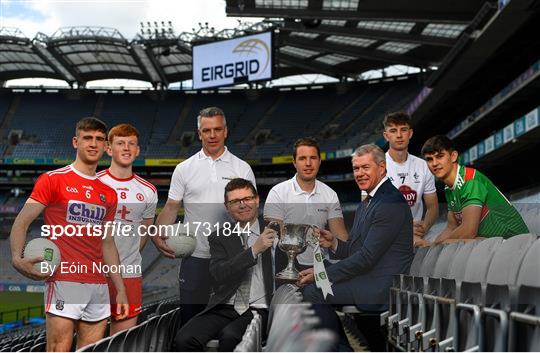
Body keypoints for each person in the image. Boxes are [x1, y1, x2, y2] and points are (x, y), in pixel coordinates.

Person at [9, 117, 129, 351]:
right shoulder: (53, 180)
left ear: (106, 147)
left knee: (91, 350)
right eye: (87, 138)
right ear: (76, 142)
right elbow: (22, 222)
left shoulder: (109, 194)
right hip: (64, 280)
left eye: (98, 139)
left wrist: (121, 289)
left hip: (99, 284)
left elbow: (107, 243)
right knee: (58, 348)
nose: (93, 144)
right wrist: (16, 258)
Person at [298, 144, 413, 351]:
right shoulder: (369, 201)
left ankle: (339, 348)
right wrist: (333, 243)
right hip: (367, 278)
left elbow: (366, 258)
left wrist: (321, 275)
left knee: (314, 290)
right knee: (313, 284)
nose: (359, 173)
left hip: (379, 287)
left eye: (365, 168)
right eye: (356, 168)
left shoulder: (389, 202)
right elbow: (355, 249)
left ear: (382, 168)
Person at [155, 107, 256, 325]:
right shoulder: (184, 169)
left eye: (217, 129)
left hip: (231, 258)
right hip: (195, 257)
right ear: (199, 133)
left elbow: (250, 213)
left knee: (229, 323)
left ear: (225, 131)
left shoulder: (243, 168)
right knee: (191, 323)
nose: (212, 135)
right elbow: (172, 206)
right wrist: (157, 232)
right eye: (206, 130)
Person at [173, 178, 276, 351]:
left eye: (247, 199)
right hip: (226, 306)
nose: (242, 205)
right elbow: (218, 274)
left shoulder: (275, 230)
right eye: (235, 201)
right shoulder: (219, 237)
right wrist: (254, 250)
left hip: (260, 308)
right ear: (227, 207)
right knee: (184, 338)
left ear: (257, 199)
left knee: (230, 337)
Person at [97, 123, 158, 334]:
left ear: (138, 150)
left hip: (129, 274)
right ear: (108, 148)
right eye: (120, 143)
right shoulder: (94, 183)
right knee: (89, 342)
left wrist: (127, 256)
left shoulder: (148, 191)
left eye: (131, 144)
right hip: (95, 273)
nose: (126, 148)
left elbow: (144, 233)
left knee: (121, 342)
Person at [421, 135, 529, 243]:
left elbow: (468, 231)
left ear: (453, 156)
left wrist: (442, 244)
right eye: (429, 159)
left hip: (516, 243)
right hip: (495, 244)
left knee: (468, 241)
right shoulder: (449, 188)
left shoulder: (470, 181)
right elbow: (451, 228)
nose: (434, 163)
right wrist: (432, 246)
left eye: (440, 156)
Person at [264, 137, 348, 272]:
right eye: (302, 158)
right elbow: (275, 238)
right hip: (286, 266)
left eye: (313, 158)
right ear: (294, 162)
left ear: (319, 161)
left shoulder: (330, 194)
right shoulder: (277, 192)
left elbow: (341, 237)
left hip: (320, 267)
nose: (308, 163)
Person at [382, 112, 439, 247]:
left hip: (418, 232)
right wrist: (404, 231)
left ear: (410, 133)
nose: (399, 135)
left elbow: (433, 207)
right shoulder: (377, 166)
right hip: (386, 233)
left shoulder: (423, 166)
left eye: (403, 130)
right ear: (386, 136)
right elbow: (369, 212)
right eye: (393, 131)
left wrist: (422, 228)